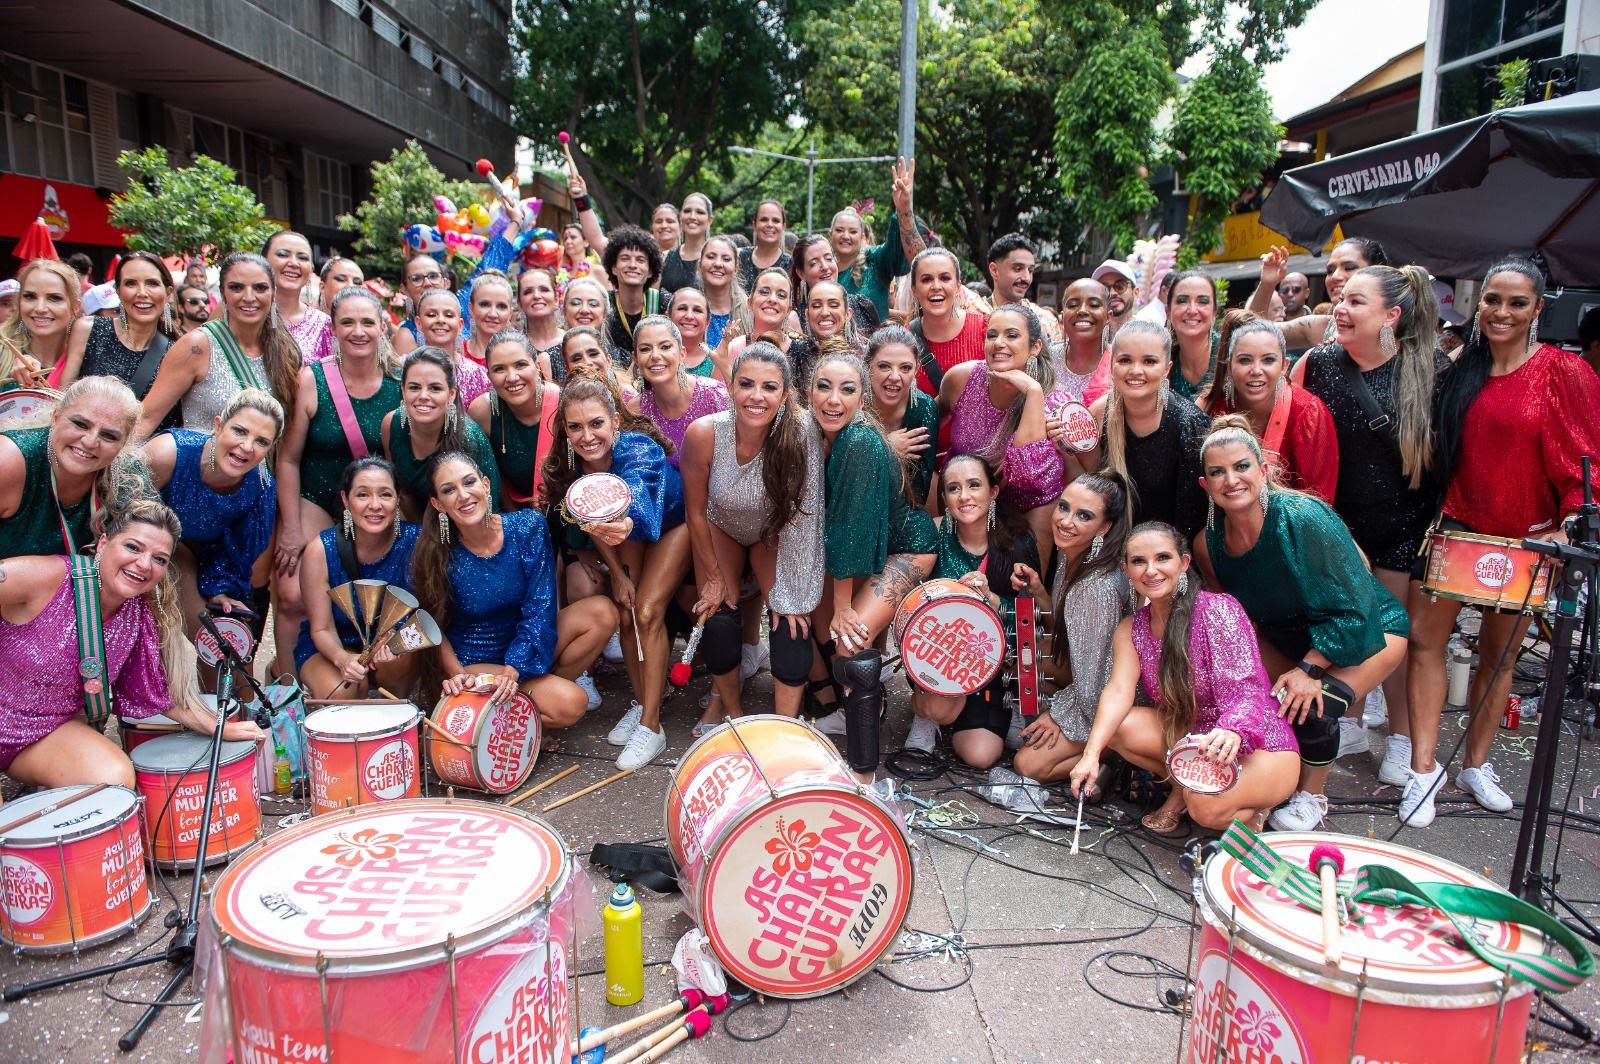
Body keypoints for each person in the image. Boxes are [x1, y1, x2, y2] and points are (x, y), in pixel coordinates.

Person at [1404, 259, 1600, 826]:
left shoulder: (1564, 372)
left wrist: (1567, 525)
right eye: (1492, 300)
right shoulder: (1460, 370)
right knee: (1426, 643)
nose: (1502, 312)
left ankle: (1476, 764)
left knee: (1501, 655)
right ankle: (1422, 771)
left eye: (1517, 302)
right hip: (1459, 526)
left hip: (1530, 538)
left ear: (1539, 308)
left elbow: (1586, 460)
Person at [1194, 418, 1408, 830]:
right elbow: (1236, 617)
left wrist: (1310, 668)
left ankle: (1312, 797)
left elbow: (1355, 608)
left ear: (1264, 469)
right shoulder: (1209, 543)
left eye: (1241, 467)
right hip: (1291, 639)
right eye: (1218, 472)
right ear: (1206, 485)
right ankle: (1275, 785)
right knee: (1257, 703)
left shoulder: (1302, 517)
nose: (1231, 480)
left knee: (1311, 706)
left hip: (1369, 631)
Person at [0, 497, 264, 789]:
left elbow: (157, 693)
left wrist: (223, 728)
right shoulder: (50, 576)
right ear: (102, 544)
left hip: (47, 733)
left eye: (159, 559)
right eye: (133, 547)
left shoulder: (137, 615)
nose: (143, 564)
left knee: (114, 781)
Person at [1291, 263, 1441, 771]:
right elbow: (1289, 437)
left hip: (1403, 527)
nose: (1341, 308)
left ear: (1392, 315)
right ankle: (1349, 726)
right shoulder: (1317, 364)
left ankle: (1401, 740)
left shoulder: (1429, 373)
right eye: (1342, 299)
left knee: (1392, 635)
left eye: (1357, 301)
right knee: (1346, 626)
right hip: (1337, 526)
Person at [1068, 522, 1300, 832]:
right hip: (1194, 739)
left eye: (1163, 557)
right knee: (1119, 726)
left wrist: (1232, 731)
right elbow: (1119, 691)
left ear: (1184, 562)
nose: (1151, 570)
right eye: (1139, 561)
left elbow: (1247, 689)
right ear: (1127, 570)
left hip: (1259, 742)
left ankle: (1257, 808)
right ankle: (1184, 788)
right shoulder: (1132, 629)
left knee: (1204, 808)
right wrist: (1091, 754)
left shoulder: (1219, 609)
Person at [414, 451, 617, 732]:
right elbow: (431, 627)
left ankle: (523, 711)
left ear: (485, 484)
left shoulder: (527, 527)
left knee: (602, 612)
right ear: (438, 504)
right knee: (571, 703)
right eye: (449, 490)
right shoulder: (435, 551)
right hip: (475, 661)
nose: (463, 495)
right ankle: (520, 717)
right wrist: (457, 675)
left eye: (469, 482)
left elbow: (541, 606)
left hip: (526, 645)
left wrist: (515, 666)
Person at [543, 375, 687, 768]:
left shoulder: (638, 449)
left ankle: (652, 726)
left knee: (646, 612)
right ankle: (642, 702)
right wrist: (618, 574)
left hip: (674, 525)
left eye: (595, 423)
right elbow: (592, 520)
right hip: (626, 534)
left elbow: (639, 499)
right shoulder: (577, 466)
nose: (586, 435)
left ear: (615, 422)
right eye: (575, 426)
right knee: (625, 610)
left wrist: (624, 522)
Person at [806, 349, 939, 770]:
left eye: (847, 390)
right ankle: (855, 716)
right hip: (875, 545)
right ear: (807, 392)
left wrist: (844, 606)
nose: (833, 399)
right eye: (823, 386)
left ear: (862, 398)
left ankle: (864, 774)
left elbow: (849, 526)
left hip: (908, 547)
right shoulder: (823, 433)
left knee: (850, 645)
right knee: (841, 644)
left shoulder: (859, 440)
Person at [682, 342, 824, 720]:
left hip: (772, 531)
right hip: (720, 525)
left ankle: (784, 724)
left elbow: (806, 514)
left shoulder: (802, 431)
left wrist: (794, 590)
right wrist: (712, 577)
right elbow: (695, 512)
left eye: (769, 387)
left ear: (786, 393)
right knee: (717, 617)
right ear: (731, 387)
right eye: (746, 384)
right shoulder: (704, 434)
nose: (756, 396)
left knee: (790, 622)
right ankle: (731, 712)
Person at [273, 286, 403, 672]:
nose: (358, 331)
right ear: (333, 329)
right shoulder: (310, 380)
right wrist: (291, 528)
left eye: (367, 322)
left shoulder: (400, 383)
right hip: (316, 497)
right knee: (293, 593)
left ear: (383, 327)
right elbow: (289, 459)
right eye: (348, 322)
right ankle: (286, 680)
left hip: (376, 502)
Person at [899, 455, 1040, 765]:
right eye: (953, 488)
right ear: (945, 498)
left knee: (982, 756)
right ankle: (928, 718)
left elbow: (1032, 622)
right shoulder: (932, 535)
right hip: (939, 658)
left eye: (974, 485)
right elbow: (908, 607)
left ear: (993, 492)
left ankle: (1007, 704)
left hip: (996, 663)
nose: (964, 496)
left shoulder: (1018, 543)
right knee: (939, 708)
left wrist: (989, 597)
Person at [1009, 473, 1132, 784]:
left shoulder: (1097, 588)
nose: (1066, 521)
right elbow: (1068, 632)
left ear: (1105, 527)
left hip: (1112, 697)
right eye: (1064, 507)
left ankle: (1116, 757)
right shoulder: (1075, 552)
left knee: (1028, 765)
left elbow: (1098, 682)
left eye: (1084, 515)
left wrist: (1057, 715)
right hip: (1086, 677)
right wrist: (1038, 591)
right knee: (1023, 659)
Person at [143, 388, 282, 644]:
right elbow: (117, 511)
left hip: (183, 557)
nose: (247, 447)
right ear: (218, 426)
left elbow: (232, 552)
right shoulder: (169, 453)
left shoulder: (259, 488)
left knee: (214, 641)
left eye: (262, 441)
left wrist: (219, 589)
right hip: (134, 550)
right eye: (239, 431)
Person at [940, 303, 1063, 558]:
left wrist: (1033, 392)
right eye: (992, 335)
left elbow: (1023, 474)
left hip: (1027, 507)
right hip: (964, 500)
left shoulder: (1053, 403)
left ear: (1035, 347)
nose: (999, 343)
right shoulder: (960, 379)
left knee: (1022, 589)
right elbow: (928, 425)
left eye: (1012, 335)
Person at [294, 458, 421, 698]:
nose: (375, 505)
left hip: (390, 647)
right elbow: (321, 628)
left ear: (397, 499)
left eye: (385, 495)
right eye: (362, 495)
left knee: (398, 661)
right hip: (333, 645)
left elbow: (429, 612)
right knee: (342, 691)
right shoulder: (321, 550)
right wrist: (342, 659)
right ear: (345, 500)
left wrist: (399, 636)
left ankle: (393, 727)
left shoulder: (417, 543)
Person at [136, 251, 301, 436]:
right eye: (236, 287)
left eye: (260, 288)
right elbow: (145, 420)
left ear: (273, 294)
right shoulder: (197, 345)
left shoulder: (285, 350)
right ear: (223, 293)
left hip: (264, 465)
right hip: (202, 463)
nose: (248, 297)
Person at [0, 376, 142, 559]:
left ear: (123, 445)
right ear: (55, 417)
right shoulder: (9, 459)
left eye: (109, 436)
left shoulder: (128, 476)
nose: (90, 442)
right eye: (81, 424)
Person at [1091, 320, 1210, 538]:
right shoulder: (1099, 413)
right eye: (1125, 360)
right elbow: (1091, 484)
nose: (1136, 370)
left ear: (1167, 368)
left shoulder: (1190, 424)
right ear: (1111, 366)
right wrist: (1066, 446)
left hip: (1172, 554)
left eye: (1149, 361)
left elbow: (1195, 517)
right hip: (1113, 546)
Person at [1201, 312, 1338, 501]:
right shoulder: (1212, 408)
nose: (1256, 371)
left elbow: (1320, 502)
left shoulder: (1308, 413)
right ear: (1230, 366)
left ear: (1285, 366)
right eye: (1245, 360)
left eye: (1268, 360)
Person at [383, 347, 500, 518]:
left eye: (435, 388)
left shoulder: (469, 438)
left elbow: (488, 508)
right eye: (414, 387)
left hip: (467, 528)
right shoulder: (391, 425)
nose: (423, 396)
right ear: (403, 390)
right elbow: (402, 492)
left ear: (451, 394)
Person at [58, 253, 177, 405]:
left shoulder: (177, 350)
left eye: (152, 283)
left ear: (168, 293)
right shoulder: (87, 329)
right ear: (118, 292)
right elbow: (62, 400)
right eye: (130, 283)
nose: (142, 293)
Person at [467, 330, 561, 510]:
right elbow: (492, 477)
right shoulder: (483, 413)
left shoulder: (564, 404)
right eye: (499, 369)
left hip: (572, 517)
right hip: (517, 517)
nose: (511, 377)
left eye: (520, 365)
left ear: (538, 366)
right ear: (489, 377)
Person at [830, 158, 924, 320]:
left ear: (862, 236)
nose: (846, 236)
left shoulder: (874, 260)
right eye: (840, 230)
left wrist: (904, 210)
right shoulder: (821, 269)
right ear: (830, 234)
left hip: (875, 343)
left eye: (852, 231)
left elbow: (907, 256)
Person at [1254, 237, 1389, 350]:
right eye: (1330, 271)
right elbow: (1252, 333)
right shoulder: (1319, 327)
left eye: (1349, 267)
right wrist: (1267, 283)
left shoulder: (1401, 328)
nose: (1335, 276)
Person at [633, 316, 729, 469]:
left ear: (682, 353)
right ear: (636, 359)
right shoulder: (634, 412)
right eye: (645, 349)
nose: (655, 356)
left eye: (665, 347)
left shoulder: (716, 396)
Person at [866, 326, 938, 508]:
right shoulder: (853, 402)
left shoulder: (924, 407)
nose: (895, 377)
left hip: (903, 511)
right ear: (868, 365)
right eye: (884, 366)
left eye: (905, 368)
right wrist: (886, 448)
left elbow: (919, 491)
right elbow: (840, 479)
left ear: (916, 370)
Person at [910, 248, 987, 395]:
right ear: (914, 289)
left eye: (945, 278)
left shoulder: (987, 330)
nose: (936, 287)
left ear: (958, 287)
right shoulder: (903, 340)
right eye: (926, 280)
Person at [727, 268, 816, 389]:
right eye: (764, 292)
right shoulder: (734, 348)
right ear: (750, 303)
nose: (772, 299)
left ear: (789, 310)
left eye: (781, 295)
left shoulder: (804, 351)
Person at [0, 259, 81, 390]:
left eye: (54, 298)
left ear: (75, 307)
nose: (40, 308)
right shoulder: (2, 352)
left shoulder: (90, 357)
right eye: (30, 296)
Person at [264, 231, 332, 365]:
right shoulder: (241, 313)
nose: (294, 263)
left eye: (302, 258)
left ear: (311, 268)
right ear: (263, 261)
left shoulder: (325, 325)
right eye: (283, 254)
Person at [791, 234, 880, 336]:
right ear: (801, 273)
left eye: (829, 259)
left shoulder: (862, 306)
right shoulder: (795, 320)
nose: (824, 267)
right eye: (814, 263)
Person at [601, 225, 665, 358]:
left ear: (650, 271)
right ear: (613, 268)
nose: (632, 265)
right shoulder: (603, 303)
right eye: (625, 258)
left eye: (640, 260)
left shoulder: (662, 302)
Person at [1053, 277, 1113, 410]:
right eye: (1073, 305)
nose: (1082, 311)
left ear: (1108, 316)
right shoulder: (1046, 360)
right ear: (1062, 316)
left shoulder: (1120, 362)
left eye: (1094, 305)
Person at [455, 271, 514, 406]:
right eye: (485, 304)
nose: (493, 314)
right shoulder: (456, 353)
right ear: (471, 308)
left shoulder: (523, 356)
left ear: (510, 313)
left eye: (501, 306)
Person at [986, 233, 1059, 340]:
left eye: (1031, 270)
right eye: (1018, 269)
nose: (1026, 278)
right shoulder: (974, 317)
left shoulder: (1046, 322)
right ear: (994, 270)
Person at [1166, 270, 1219, 402]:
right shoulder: (1159, 359)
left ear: (1214, 312)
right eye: (1182, 301)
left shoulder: (1230, 354)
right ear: (1167, 311)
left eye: (1203, 301)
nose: (1192, 310)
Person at [391, 253, 450, 354]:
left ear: (445, 283)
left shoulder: (467, 320)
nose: (427, 283)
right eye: (416, 278)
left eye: (433, 276)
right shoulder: (406, 335)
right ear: (404, 289)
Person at [659, 192, 714, 294]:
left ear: (710, 220)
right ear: (680, 216)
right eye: (687, 211)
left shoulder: (718, 260)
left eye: (700, 212)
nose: (692, 216)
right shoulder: (664, 258)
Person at [696, 235, 745, 349]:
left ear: (736, 269)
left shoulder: (751, 312)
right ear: (699, 265)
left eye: (726, 259)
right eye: (711, 257)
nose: (718, 264)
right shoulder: (687, 311)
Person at [667, 286, 723, 380]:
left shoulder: (717, 360)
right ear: (668, 316)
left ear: (708, 321)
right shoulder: (655, 353)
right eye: (682, 308)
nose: (689, 316)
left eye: (697, 310)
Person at [517, 266, 565, 373]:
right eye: (528, 292)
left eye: (544, 290)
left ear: (556, 298)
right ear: (519, 304)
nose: (537, 296)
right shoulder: (514, 346)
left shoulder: (572, 341)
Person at [737, 200, 791, 291]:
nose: (770, 224)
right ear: (754, 225)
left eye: (776, 221)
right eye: (764, 220)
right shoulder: (738, 257)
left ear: (783, 227)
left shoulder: (791, 265)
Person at [804, 279, 863, 357]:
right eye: (816, 306)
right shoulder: (800, 356)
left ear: (847, 314)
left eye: (833, 305)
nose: (825, 313)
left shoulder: (867, 356)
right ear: (807, 315)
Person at [1092, 260, 1138, 335]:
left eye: (1120, 286)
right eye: (1104, 288)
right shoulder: (1089, 336)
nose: (1112, 293)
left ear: (1135, 292)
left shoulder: (1148, 335)